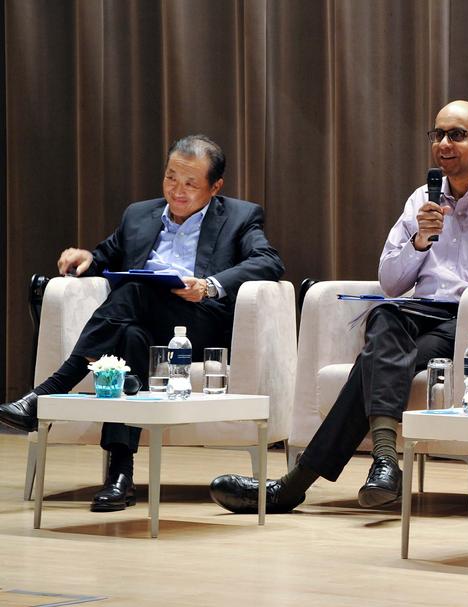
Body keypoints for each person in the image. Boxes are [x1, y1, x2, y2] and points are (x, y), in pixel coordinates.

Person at [209, 100, 468, 514]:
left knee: (375, 358)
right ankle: (385, 463)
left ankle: (297, 484)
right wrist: (419, 241)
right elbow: (391, 282)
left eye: (457, 134)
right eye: (438, 134)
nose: (444, 143)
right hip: (418, 315)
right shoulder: (420, 203)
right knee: (386, 318)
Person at [0, 134, 285, 512]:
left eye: (190, 183)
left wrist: (209, 286)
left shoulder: (240, 216)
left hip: (198, 325)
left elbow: (269, 261)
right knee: (130, 337)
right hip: (144, 324)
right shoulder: (139, 214)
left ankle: (48, 393)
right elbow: (106, 255)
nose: (177, 191)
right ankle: (120, 476)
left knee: (134, 291)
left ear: (215, 187)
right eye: (170, 178)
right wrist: (87, 256)